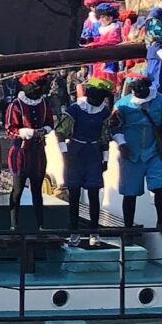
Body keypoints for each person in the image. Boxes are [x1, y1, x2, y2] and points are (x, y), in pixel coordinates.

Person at [111, 74, 162, 234]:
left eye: (140, 89)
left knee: (160, 186)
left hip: (154, 151)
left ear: (148, 86)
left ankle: (161, 222)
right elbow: (114, 127)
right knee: (129, 193)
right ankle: (128, 228)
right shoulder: (122, 105)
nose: (138, 92)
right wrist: (121, 143)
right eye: (134, 90)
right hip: (130, 154)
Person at [0, 72, 53, 240]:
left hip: (38, 152)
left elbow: (49, 123)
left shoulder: (43, 103)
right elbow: (10, 129)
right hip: (20, 153)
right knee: (17, 190)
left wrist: (44, 130)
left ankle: (41, 225)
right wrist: (28, 132)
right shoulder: (16, 105)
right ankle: (13, 225)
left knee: (37, 190)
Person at [58, 76, 114, 233]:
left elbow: (105, 137)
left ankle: (94, 232)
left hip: (94, 154)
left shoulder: (104, 112)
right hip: (75, 153)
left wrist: (106, 158)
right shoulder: (75, 109)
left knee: (94, 193)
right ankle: (73, 231)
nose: (98, 101)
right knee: (74, 194)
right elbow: (60, 133)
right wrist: (65, 154)